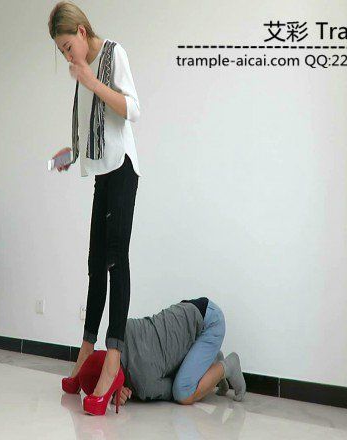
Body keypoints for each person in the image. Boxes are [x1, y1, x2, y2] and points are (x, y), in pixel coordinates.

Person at [48, 1, 142, 416]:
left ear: (82, 33)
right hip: (103, 172)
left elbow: (132, 109)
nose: (68, 56)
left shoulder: (113, 54)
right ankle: (86, 352)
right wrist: (68, 156)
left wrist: (90, 79)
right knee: (94, 264)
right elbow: (91, 131)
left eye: (68, 47)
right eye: (63, 51)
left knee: (116, 261)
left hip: (122, 169)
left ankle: (112, 362)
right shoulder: (82, 71)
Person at [64, 297, 246, 412]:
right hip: (191, 310)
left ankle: (228, 365)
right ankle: (211, 358)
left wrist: (128, 392)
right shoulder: (116, 335)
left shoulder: (143, 384)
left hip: (210, 325)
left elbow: (172, 387)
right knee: (168, 357)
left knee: (183, 392)